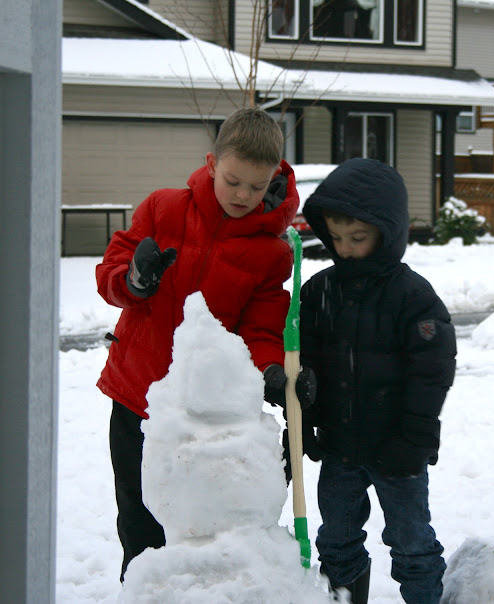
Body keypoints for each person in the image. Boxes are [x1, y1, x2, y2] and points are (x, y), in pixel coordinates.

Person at [96, 107, 315, 582]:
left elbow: (260, 332)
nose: (243, 195)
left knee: (199, 529)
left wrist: (271, 372)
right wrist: (133, 279)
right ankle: (144, 591)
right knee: (138, 519)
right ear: (212, 164)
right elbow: (110, 272)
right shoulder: (162, 208)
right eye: (233, 181)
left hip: (202, 417)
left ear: (274, 179)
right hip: (136, 394)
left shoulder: (270, 252)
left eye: (256, 187)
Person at [299, 158, 457, 604]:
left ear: (388, 233)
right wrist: (304, 416)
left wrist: (415, 438)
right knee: (336, 540)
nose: (345, 249)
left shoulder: (413, 296)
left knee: (411, 543)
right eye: (336, 238)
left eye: (358, 238)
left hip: (397, 449)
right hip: (341, 447)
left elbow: (432, 373)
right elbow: (305, 363)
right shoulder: (319, 292)